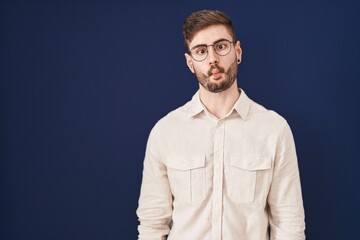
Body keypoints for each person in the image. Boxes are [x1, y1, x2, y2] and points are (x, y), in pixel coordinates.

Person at [136, 9, 305, 240]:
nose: (212, 58)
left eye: (221, 46)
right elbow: (152, 225)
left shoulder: (274, 130)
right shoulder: (165, 133)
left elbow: (289, 222)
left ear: (238, 51)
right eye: (201, 51)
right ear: (190, 63)